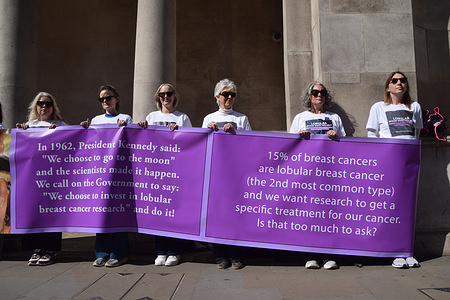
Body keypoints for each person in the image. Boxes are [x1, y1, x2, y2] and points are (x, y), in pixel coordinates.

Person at [366, 71, 422, 269]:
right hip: (388, 163)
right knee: (389, 206)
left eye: (402, 80)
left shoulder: (414, 107)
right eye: (394, 80)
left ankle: (408, 251)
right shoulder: (378, 107)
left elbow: (416, 134)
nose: (399, 83)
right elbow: (372, 135)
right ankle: (394, 251)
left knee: (408, 207)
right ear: (388, 86)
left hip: (409, 164)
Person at [290, 82, 345, 270]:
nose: (319, 95)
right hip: (307, 174)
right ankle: (311, 255)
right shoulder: (300, 117)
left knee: (329, 215)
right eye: (315, 92)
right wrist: (300, 135)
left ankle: (329, 255)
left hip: (330, 173)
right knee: (309, 214)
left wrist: (336, 135)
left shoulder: (334, 117)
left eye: (322, 92)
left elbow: (346, 144)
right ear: (309, 96)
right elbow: (289, 146)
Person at [138, 83, 192, 266]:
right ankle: (160, 250)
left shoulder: (182, 117)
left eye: (169, 93)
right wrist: (142, 128)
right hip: (156, 174)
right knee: (158, 213)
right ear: (158, 98)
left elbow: (191, 142)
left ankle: (174, 250)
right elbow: (144, 142)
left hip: (176, 173)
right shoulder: (152, 117)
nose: (166, 97)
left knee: (174, 213)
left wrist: (179, 132)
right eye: (162, 95)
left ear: (174, 97)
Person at [80, 85, 132, 268]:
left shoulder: (125, 118)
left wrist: (126, 128)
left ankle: (119, 253)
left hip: (117, 173)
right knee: (100, 213)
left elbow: (131, 141)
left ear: (116, 99)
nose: (105, 102)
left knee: (117, 214)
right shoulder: (95, 120)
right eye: (101, 99)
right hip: (99, 173)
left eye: (108, 98)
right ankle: (101, 253)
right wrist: (84, 129)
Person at [202, 78, 251, 270]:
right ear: (217, 97)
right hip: (216, 175)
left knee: (236, 215)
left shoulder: (242, 119)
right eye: (225, 94)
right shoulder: (209, 118)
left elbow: (250, 145)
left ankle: (237, 255)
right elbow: (202, 145)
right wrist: (208, 131)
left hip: (236, 175)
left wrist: (236, 132)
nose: (229, 97)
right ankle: (220, 255)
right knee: (218, 215)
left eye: (232, 94)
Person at [16, 92, 66, 266]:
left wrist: (58, 133)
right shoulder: (29, 126)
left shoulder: (60, 124)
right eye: (40, 103)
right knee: (34, 212)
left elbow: (69, 145)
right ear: (35, 106)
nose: (44, 106)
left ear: (53, 107)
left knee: (51, 214)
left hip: (53, 178)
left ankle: (50, 249)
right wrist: (21, 133)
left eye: (47, 103)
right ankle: (36, 248)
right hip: (33, 178)